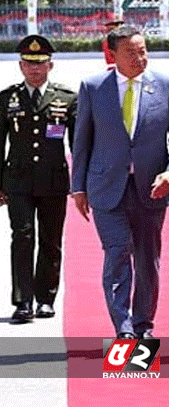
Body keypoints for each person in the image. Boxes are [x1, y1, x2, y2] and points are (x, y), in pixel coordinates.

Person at [71, 25, 169, 339]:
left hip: (152, 189)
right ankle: (124, 328)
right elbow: (81, 141)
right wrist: (79, 186)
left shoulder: (166, 85)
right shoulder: (93, 86)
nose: (140, 58)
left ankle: (143, 325)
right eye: (131, 52)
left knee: (147, 259)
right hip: (106, 189)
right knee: (118, 252)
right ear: (113, 55)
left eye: (143, 50)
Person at [0, 35, 77, 323]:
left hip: (53, 180)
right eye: (29, 64)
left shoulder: (66, 98)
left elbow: (78, 144)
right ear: (20, 66)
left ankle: (45, 298)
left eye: (41, 64)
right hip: (17, 180)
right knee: (21, 237)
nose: (35, 70)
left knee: (50, 239)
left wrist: (81, 182)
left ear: (51, 65)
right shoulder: (7, 99)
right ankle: (22, 301)